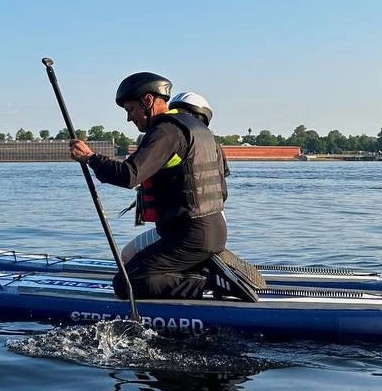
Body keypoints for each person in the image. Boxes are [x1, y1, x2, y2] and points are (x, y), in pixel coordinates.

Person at [70, 73, 255, 302]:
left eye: (130, 110)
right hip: (210, 231)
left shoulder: (166, 131)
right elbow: (221, 192)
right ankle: (202, 268)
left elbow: (130, 176)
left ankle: (207, 280)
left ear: (148, 101)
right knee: (132, 263)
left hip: (190, 236)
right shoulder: (199, 129)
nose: (129, 118)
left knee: (127, 283)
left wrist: (91, 158)